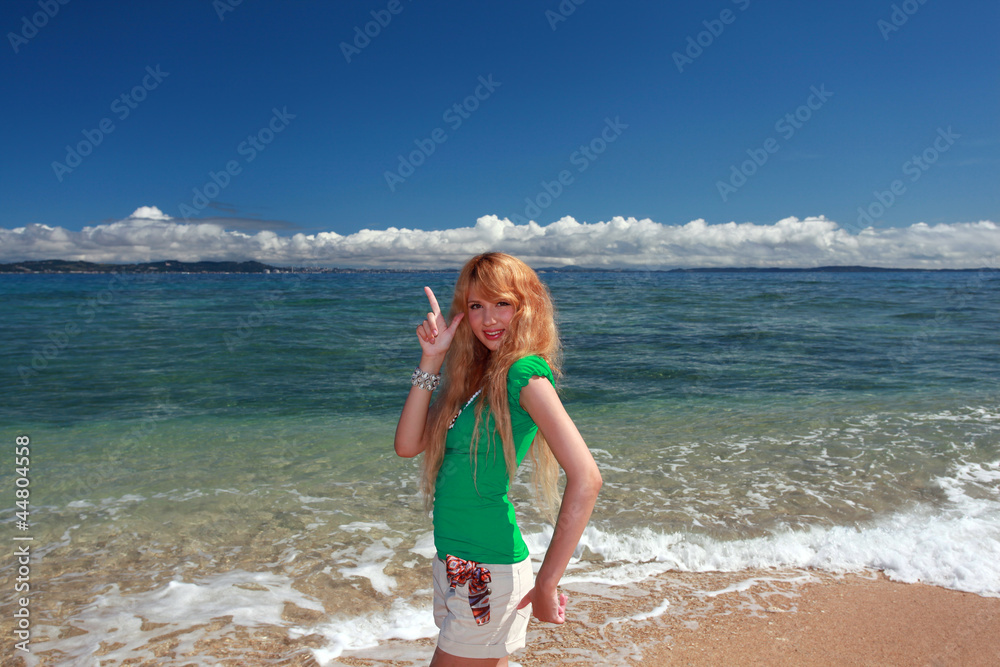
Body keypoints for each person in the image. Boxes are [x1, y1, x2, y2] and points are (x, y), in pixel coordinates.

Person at [394, 252, 602, 666]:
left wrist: (547, 583)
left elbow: (586, 477)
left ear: (527, 306)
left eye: (502, 303)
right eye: (476, 306)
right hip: (453, 562)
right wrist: (432, 359)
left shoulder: (524, 374)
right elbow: (408, 443)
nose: (488, 319)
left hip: (486, 571)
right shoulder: (475, 376)